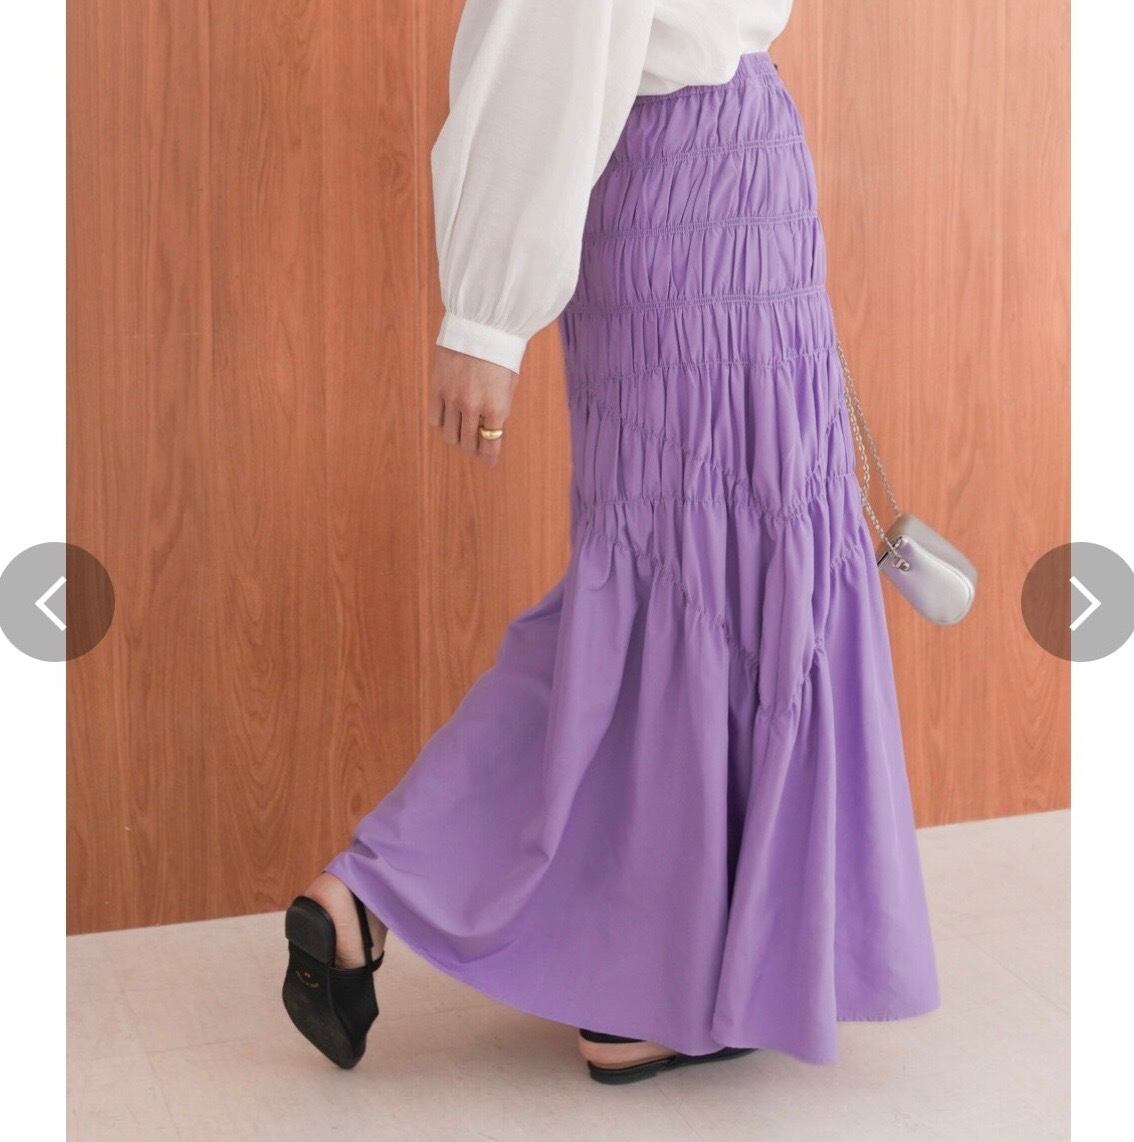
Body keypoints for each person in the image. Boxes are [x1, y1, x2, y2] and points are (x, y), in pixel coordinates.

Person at [281, 0, 941, 1085]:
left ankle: (385, 894)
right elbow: (548, 36)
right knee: (698, 593)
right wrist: (485, 317)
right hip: (697, 188)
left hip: (718, 186)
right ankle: (634, 991)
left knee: (670, 595)